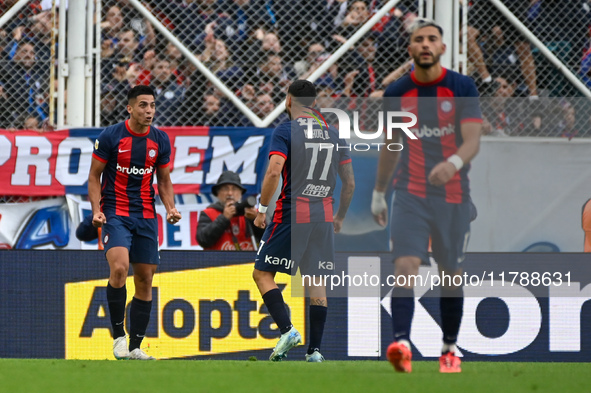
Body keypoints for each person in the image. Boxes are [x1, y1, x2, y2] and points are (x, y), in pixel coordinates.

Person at [372, 18, 482, 373]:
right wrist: (378, 192)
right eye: (418, 39)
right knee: (405, 266)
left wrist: (452, 162)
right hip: (410, 193)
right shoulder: (395, 95)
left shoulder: (461, 86)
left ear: (442, 48)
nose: (425, 44)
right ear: (410, 49)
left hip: (452, 196)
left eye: (431, 39)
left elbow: (472, 141)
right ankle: (401, 345)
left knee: (451, 274)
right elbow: (391, 145)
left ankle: (449, 349)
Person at [253, 80, 355, 362]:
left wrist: (262, 208)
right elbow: (349, 183)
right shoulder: (334, 134)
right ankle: (315, 352)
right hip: (323, 215)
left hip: (292, 213)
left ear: (288, 100)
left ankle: (287, 330)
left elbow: (274, 172)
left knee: (261, 274)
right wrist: (340, 216)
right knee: (315, 280)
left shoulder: (286, 130)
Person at [88, 85, 182, 360]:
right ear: (129, 108)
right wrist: (96, 210)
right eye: (143, 105)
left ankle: (135, 347)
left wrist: (171, 208)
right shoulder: (111, 136)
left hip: (146, 216)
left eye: (152, 105)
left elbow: (163, 180)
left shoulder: (160, 140)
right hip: (115, 213)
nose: (149, 110)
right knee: (119, 268)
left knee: (145, 278)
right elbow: (94, 176)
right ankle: (119, 337)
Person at [196, 171, 261, 250]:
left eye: (234, 189)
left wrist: (255, 220)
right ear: (218, 193)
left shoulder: (252, 212)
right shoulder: (209, 213)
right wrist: (224, 218)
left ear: (240, 193)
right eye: (225, 189)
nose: (230, 193)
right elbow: (203, 240)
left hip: (249, 261)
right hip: (218, 261)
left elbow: (269, 239)